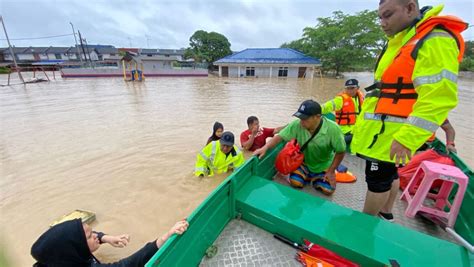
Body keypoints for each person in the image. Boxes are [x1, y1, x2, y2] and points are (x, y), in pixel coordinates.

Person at [350, 0, 467, 221]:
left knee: (377, 181)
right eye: (380, 17)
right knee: (390, 174)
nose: (382, 23)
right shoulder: (403, 40)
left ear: (411, 8)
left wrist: (407, 138)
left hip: (392, 133)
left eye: (388, 15)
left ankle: (362, 225)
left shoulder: (433, 40)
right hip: (386, 130)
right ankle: (386, 212)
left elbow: (438, 98)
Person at [254, 100, 346, 195]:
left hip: (323, 165)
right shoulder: (297, 124)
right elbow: (279, 137)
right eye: (300, 118)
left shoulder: (333, 129)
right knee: (295, 183)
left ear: (317, 117)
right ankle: (310, 177)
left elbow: (341, 151)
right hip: (305, 163)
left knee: (328, 190)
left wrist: (331, 171)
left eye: (305, 119)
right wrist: (264, 148)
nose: (301, 122)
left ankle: (316, 177)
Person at [31, 218, 188, 266]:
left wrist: (106, 238)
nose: (95, 235)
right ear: (76, 247)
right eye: (89, 236)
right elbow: (126, 266)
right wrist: (163, 238)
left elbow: (88, 236)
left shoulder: (57, 257)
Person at [321, 79, 364, 145]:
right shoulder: (340, 99)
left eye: (352, 88)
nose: (349, 90)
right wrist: (314, 109)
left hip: (357, 128)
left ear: (357, 88)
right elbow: (327, 106)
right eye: (347, 88)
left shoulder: (362, 98)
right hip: (344, 130)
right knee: (355, 137)